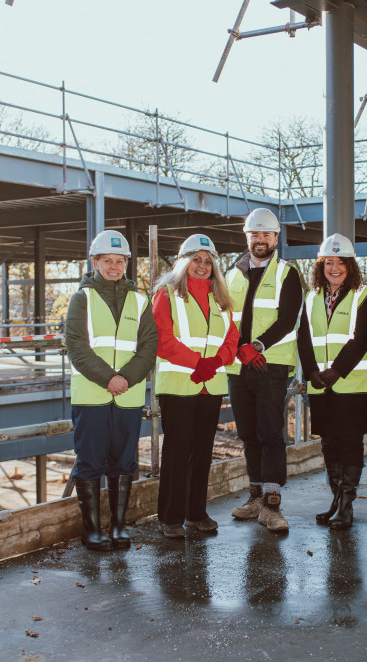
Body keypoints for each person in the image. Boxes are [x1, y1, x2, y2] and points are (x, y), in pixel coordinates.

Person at [65, 230, 157, 551]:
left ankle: (118, 527)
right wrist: (109, 378)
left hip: (128, 397)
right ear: (95, 262)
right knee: (90, 461)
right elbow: (76, 346)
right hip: (92, 395)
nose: (114, 267)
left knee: (124, 461)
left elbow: (148, 347)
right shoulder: (82, 299)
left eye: (120, 261)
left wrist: (126, 379)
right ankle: (91, 530)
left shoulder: (141, 301)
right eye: (108, 261)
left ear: (127, 264)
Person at [152, 234, 239, 539]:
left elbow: (231, 341)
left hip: (210, 385)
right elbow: (163, 339)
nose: (202, 266)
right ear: (183, 262)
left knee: (202, 451)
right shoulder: (167, 293)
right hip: (178, 384)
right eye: (196, 260)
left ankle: (196, 513)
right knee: (177, 451)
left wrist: (212, 365)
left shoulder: (222, 300)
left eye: (207, 261)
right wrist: (196, 363)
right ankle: (170, 518)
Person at [225, 207, 303, 533]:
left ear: (276, 238)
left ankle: (272, 505)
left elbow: (287, 318)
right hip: (237, 366)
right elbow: (224, 317)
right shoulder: (231, 273)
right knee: (247, 433)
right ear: (247, 236)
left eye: (266, 235)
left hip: (269, 364)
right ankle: (255, 495)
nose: (260, 240)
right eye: (254, 234)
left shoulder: (287, 273)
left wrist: (256, 345)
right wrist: (237, 349)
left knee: (271, 432)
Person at [296, 234, 367, 531]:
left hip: (351, 384)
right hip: (321, 385)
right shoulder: (312, 297)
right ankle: (336, 499)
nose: (335, 268)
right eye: (329, 262)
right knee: (329, 443)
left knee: (350, 444)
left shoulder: (363, 295)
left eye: (341, 262)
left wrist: (335, 371)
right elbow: (304, 338)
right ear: (321, 265)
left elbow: (361, 337)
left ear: (350, 266)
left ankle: (347, 505)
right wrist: (312, 372)